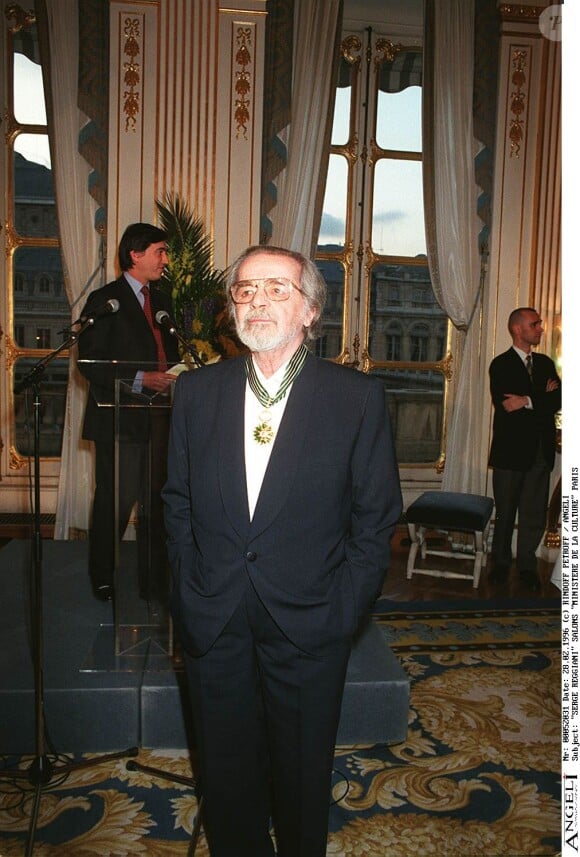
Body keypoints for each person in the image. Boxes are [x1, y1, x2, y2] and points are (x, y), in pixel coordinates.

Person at [162, 244, 402, 857]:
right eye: (245, 290)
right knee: (225, 772)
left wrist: (343, 612)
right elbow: (176, 503)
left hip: (311, 621)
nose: (257, 302)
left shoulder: (355, 398)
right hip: (214, 618)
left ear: (310, 311)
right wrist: (189, 594)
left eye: (276, 290)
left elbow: (375, 521)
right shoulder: (196, 394)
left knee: (301, 775)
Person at [77, 222, 180, 602]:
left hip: (160, 420)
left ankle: (153, 581)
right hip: (119, 418)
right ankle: (102, 577)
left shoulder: (164, 299)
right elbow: (89, 362)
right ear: (135, 254)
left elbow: (169, 353)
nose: (165, 260)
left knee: (157, 502)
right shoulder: (107, 300)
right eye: (160, 251)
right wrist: (141, 378)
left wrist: (177, 373)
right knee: (114, 503)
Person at [488, 306, 561, 590]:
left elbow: (560, 400)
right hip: (510, 453)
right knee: (506, 514)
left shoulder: (544, 363)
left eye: (539, 324)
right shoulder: (501, 364)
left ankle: (527, 565)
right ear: (518, 329)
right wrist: (543, 396)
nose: (541, 328)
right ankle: (501, 565)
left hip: (540, 454)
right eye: (535, 324)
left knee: (533, 514)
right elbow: (507, 405)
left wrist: (528, 401)